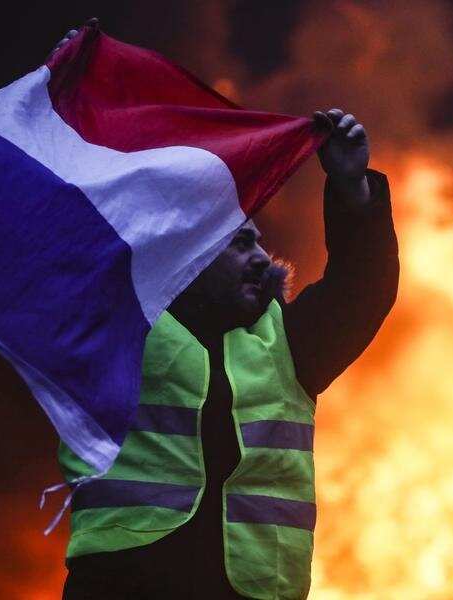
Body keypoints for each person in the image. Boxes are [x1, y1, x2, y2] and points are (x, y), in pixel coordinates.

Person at [52, 25, 399, 600]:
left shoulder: (288, 341)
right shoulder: (118, 320)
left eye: (258, 242)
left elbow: (363, 287)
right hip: (122, 587)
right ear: (187, 250)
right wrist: (71, 103)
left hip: (255, 589)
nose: (261, 257)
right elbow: (65, 234)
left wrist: (352, 188)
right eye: (239, 243)